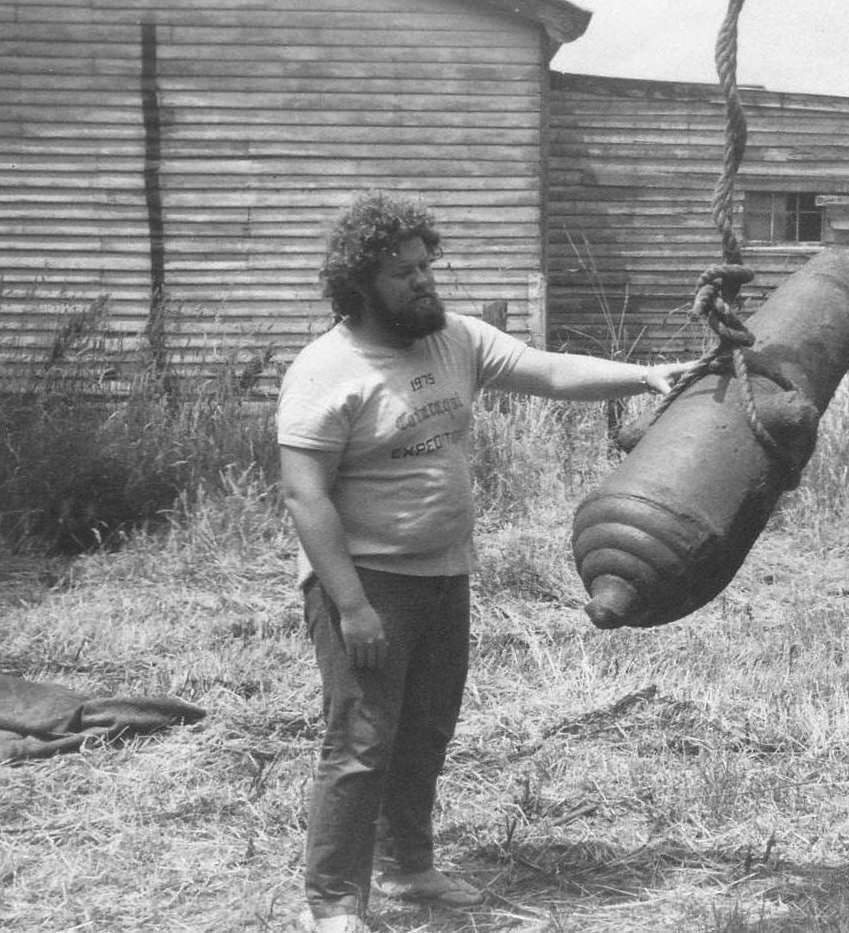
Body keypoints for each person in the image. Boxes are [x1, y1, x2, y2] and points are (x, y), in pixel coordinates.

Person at [276, 190, 691, 933]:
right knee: (363, 738)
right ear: (359, 283)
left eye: (426, 266)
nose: (423, 282)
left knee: (426, 727)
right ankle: (333, 901)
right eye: (403, 273)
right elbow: (306, 496)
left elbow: (548, 371)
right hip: (368, 582)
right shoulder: (325, 370)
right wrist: (350, 604)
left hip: (443, 573)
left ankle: (408, 867)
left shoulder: (453, 338)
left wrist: (644, 375)